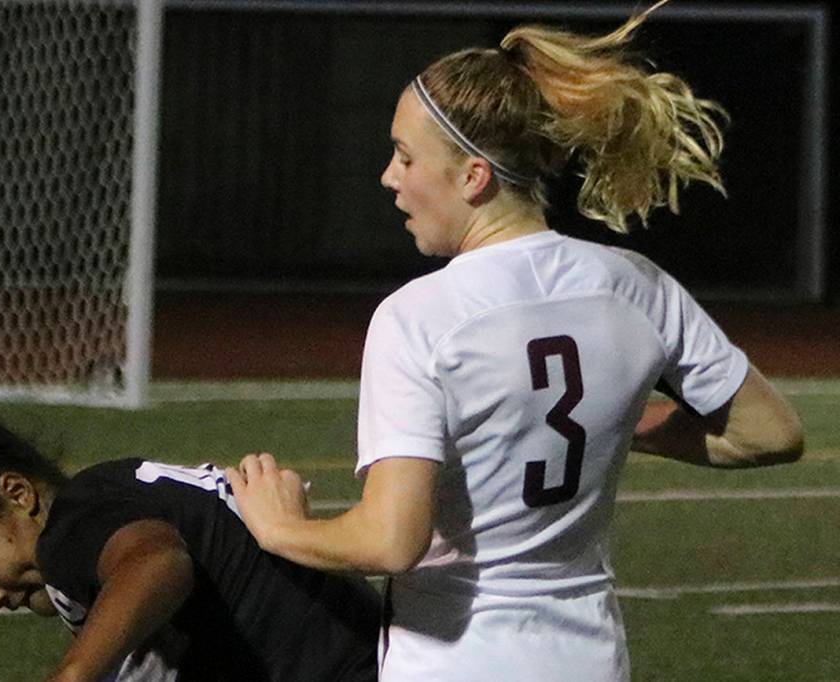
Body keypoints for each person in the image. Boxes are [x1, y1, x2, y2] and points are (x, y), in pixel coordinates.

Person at [225, 2, 804, 681]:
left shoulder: (418, 317)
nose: (389, 176)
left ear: (473, 177)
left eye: (406, 156)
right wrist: (627, 427)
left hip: (455, 659)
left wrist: (278, 528)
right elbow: (771, 434)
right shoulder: (636, 286)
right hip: (590, 659)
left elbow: (390, 540)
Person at [0, 414, 380, 682]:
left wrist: (74, 674)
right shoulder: (104, 495)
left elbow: (158, 561)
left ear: (17, 494)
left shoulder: (67, 535)